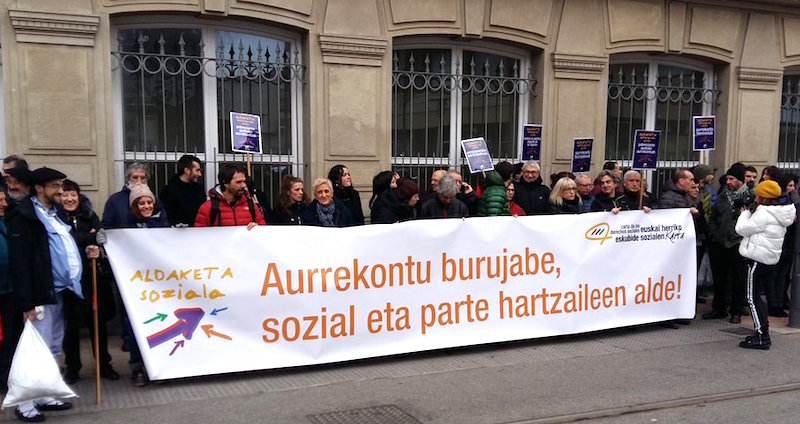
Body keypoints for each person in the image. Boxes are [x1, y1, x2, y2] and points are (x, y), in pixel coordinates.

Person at [7, 167, 89, 422]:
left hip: (60, 291)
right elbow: (20, 263)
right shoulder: (24, 217)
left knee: (53, 344)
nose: (60, 191)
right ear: (39, 188)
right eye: (55, 186)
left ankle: (43, 393)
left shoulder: (56, 214)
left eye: (61, 185)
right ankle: (25, 402)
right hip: (40, 294)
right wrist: (27, 302)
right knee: (36, 348)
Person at [57, 179, 119, 384]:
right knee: (71, 326)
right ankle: (73, 366)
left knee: (97, 323)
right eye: (65, 195)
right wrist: (88, 239)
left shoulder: (88, 214)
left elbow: (100, 235)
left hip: (94, 277)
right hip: (69, 280)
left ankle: (103, 364)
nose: (69, 199)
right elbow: (67, 241)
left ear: (78, 196)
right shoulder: (56, 217)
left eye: (73, 194)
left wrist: (91, 241)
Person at [735, 180, 796, 349]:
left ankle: (762, 336)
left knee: (752, 298)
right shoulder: (781, 212)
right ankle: (761, 331)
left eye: (757, 194)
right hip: (769, 259)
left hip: (756, 259)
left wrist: (744, 214)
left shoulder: (763, 213)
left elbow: (741, 229)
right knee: (757, 298)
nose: (754, 197)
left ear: (762, 196)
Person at [704, 163, 753, 324]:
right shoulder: (723, 195)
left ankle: (736, 311)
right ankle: (719, 308)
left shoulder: (749, 198)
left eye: (732, 178)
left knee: (738, 279)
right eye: (727, 178)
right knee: (719, 278)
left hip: (738, 243)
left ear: (739, 180)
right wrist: (714, 234)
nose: (728, 181)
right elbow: (714, 218)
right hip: (720, 243)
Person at [194, 164, 266, 228]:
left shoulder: (251, 205)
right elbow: (199, 235)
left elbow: (263, 230)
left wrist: (257, 229)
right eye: (238, 182)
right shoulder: (208, 208)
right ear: (225, 183)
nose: (243, 185)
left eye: (244, 181)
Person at [102, 162, 166, 229]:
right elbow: (107, 226)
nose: (139, 181)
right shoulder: (115, 200)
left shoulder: (153, 199)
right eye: (135, 177)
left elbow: (164, 223)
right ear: (128, 179)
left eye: (142, 178)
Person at [159, 155, 206, 227]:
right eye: (197, 170)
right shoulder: (168, 191)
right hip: (174, 232)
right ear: (187, 170)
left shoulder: (199, 190)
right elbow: (165, 216)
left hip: (197, 231)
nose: (200, 174)